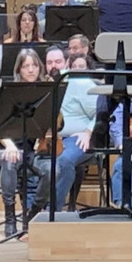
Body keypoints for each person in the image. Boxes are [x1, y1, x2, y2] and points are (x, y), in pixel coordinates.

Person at [35, 52, 99, 216]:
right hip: (49, 138)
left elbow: (99, 112)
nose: (54, 66)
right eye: (49, 62)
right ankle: (33, 209)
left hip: (76, 137)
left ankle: (52, 212)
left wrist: (88, 132)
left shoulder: (82, 84)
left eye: (58, 61)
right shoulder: (46, 83)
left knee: (63, 160)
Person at [0, 48, 46, 235]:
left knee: (52, 170)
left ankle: (32, 214)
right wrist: (9, 145)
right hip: (6, 144)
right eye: (26, 66)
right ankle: (10, 217)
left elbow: (55, 123)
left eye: (34, 66)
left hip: (31, 150)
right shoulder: (8, 92)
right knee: (10, 162)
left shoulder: (44, 92)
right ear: (19, 70)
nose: (31, 70)